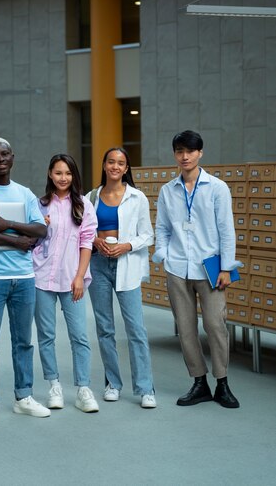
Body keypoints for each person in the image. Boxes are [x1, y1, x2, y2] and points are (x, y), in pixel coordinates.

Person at [153, 130, 240, 408]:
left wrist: (226, 267)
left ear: (200, 153)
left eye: (190, 151)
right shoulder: (168, 190)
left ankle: (222, 383)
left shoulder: (217, 188)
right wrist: (165, 257)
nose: (185, 156)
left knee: (215, 325)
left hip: (210, 268)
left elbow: (227, 230)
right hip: (178, 268)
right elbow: (163, 228)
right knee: (187, 329)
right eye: (179, 151)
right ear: (175, 155)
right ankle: (199, 382)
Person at [0, 137, 50, 422]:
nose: (0, 159)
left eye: (5, 154)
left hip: (24, 279)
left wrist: (9, 224)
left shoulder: (25, 193)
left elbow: (41, 229)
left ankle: (24, 396)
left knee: (23, 341)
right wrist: (17, 242)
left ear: (12, 157)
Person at [86, 147, 156, 408]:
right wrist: (95, 241)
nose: (115, 166)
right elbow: (81, 232)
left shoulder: (137, 198)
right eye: (111, 162)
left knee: (136, 329)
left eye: (121, 163)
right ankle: (112, 383)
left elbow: (148, 235)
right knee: (105, 328)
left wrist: (125, 245)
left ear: (126, 169)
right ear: (104, 165)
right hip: (98, 265)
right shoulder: (90, 197)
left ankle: (146, 388)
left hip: (126, 264)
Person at [33, 154, 99, 413]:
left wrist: (80, 276)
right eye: (58, 173)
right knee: (46, 336)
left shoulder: (83, 205)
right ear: (50, 174)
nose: (63, 178)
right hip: (42, 278)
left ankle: (83, 388)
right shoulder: (39, 205)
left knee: (79, 336)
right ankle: (54, 386)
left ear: (74, 176)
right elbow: (31, 240)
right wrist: (40, 226)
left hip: (72, 279)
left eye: (68, 173)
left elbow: (86, 243)